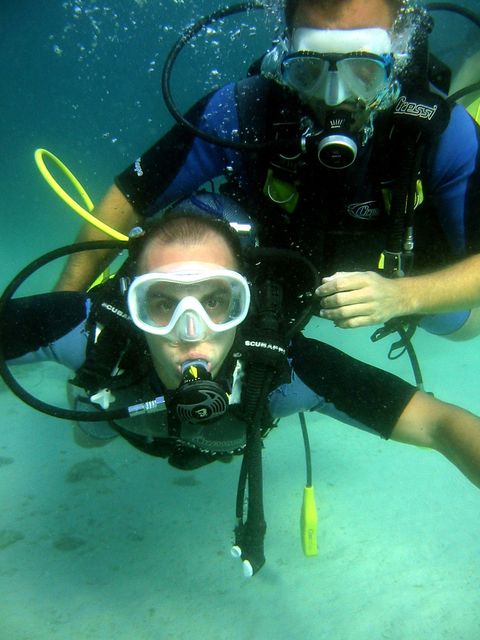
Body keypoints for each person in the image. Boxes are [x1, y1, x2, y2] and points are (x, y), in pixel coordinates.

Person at [3, 208, 480, 570]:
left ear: (243, 303)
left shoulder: (282, 370)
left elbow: (440, 423)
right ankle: (93, 404)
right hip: (119, 412)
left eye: (215, 301)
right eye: (162, 303)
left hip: (214, 439)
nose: (190, 331)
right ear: (133, 305)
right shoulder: (92, 334)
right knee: (88, 434)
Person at [53, 0, 480, 342]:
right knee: (199, 216)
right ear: (284, 56)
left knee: (461, 323)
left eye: (364, 71)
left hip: (402, 275)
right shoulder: (243, 109)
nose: (335, 98)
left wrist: (403, 297)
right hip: (275, 269)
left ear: (395, 58)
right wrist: (61, 311)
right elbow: (131, 197)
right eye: (309, 70)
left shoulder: (442, 132)